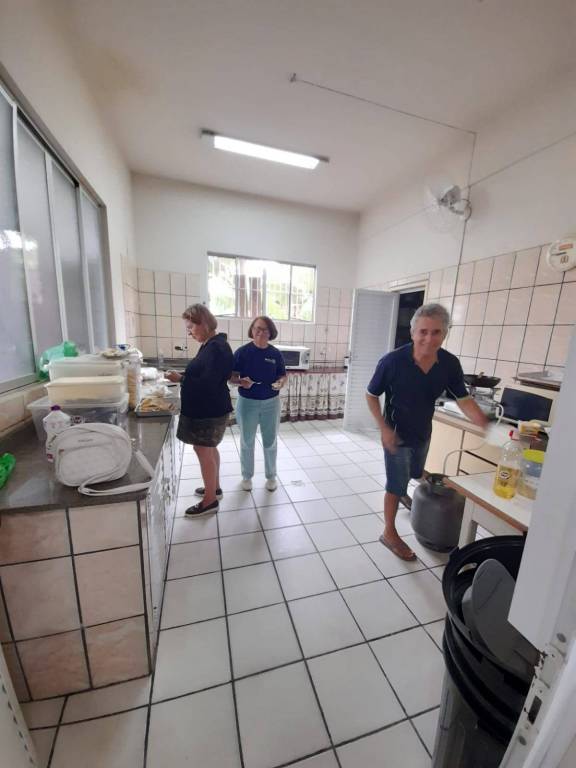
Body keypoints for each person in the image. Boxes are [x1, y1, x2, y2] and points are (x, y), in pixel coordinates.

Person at [366, 303, 488, 561]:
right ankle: (389, 532)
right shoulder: (392, 362)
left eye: (436, 332)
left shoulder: (449, 364)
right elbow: (371, 395)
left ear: (445, 334)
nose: (429, 339)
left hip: (423, 431)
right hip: (396, 435)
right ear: (412, 333)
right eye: (423, 332)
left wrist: (483, 421)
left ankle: (403, 492)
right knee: (395, 484)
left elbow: (464, 399)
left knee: (415, 472)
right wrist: (383, 428)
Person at [166, 304, 234, 517]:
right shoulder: (211, 344)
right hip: (211, 407)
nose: (189, 332)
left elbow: (208, 383)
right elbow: (205, 374)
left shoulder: (216, 348)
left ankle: (210, 501)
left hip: (210, 409)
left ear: (203, 324)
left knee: (203, 450)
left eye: (191, 327)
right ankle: (215, 488)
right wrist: (183, 376)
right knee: (209, 448)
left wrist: (181, 378)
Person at [231, 315, 287, 492]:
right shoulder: (242, 352)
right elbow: (231, 377)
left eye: (265, 329)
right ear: (252, 330)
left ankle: (271, 476)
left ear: (271, 333)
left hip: (271, 403)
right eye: (258, 328)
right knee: (247, 441)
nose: (261, 332)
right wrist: (241, 382)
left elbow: (282, 375)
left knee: (270, 441)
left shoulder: (275, 354)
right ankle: (247, 477)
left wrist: (281, 383)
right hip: (247, 403)